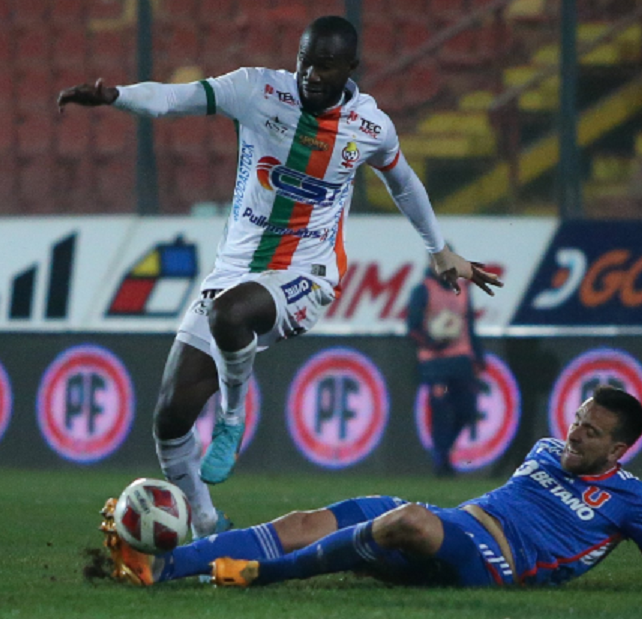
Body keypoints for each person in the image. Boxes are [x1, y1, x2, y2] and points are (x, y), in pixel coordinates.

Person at [58, 15, 502, 538]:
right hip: (234, 268)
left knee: (231, 314)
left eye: (326, 65)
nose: (311, 74)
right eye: (305, 61)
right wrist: (116, 97)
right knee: (170, 418)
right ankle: (205, 524)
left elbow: (402, 182)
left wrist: (439, 249)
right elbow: (175, 99)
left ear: (350, 68)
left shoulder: (369, 126)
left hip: (308, 273)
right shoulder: (257, 90)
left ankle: (232, 417)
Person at [97, 386, 642, 590]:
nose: (573, 436)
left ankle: (254, 575)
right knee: (318, 513)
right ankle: (160, 564)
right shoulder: (545, 449)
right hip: (458, 522)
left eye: (591, 433)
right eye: (575, 420)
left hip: (493, 563)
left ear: (619, 448)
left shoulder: (635, 500)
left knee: (408, 523)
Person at [406, 255, 485, 477]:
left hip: (461, 358)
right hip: (435, 362)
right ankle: (442, 460)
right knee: (440, 410)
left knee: (467, 410)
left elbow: (470, 325)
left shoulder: (463, 290)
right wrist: (432, 343)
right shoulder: (423, 290)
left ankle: (444, 450)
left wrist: (478, 357)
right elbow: (412, 326)